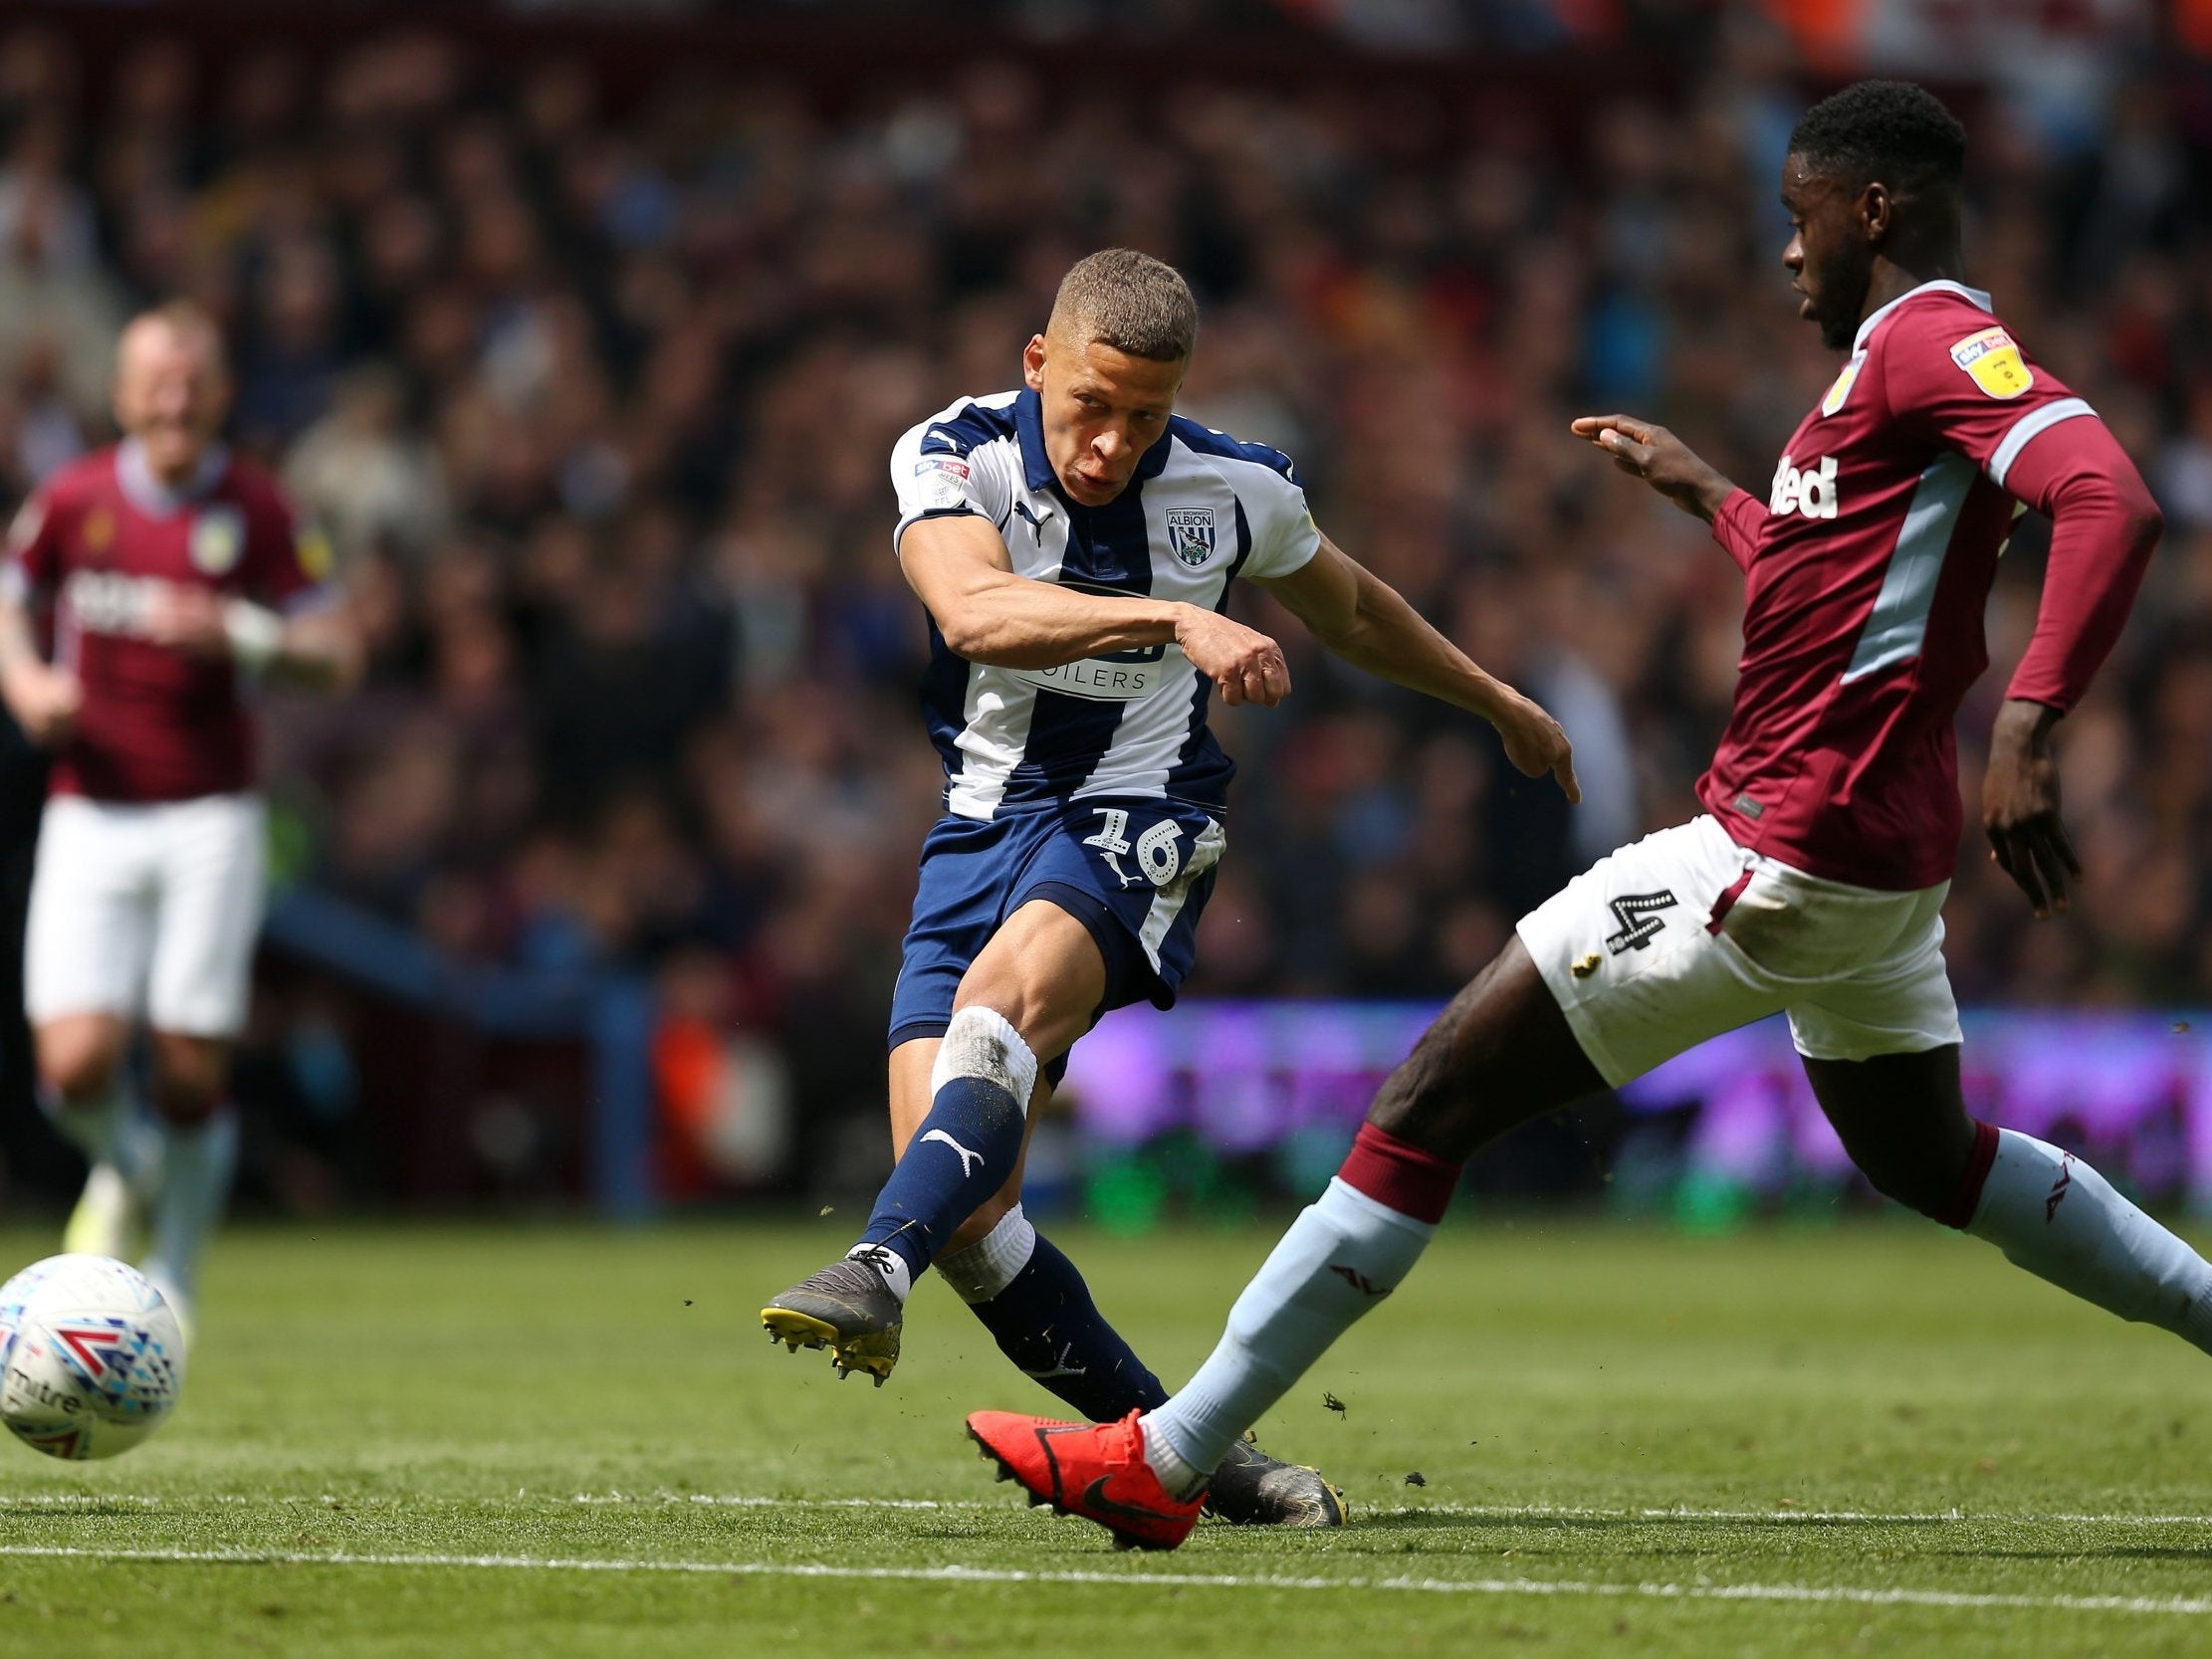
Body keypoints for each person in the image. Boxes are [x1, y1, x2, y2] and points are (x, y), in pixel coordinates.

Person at [966, 81, 2181, 1551]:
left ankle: (1165, 1455)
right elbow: (1846, 579)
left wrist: (2036, 723)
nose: (1783, 251)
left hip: (1776, 848)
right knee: (1930, 1159)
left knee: (1428, 1100)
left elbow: (2103, 492)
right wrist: (1718, 499)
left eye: (1798, 218)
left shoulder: (1930, 338)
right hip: (1867, 869)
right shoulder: (1882, 365)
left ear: (1872, 210)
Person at [760, 248, 1578, 1527]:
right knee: (972, 1209)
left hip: (1142, 812)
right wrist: (1171, 618)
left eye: (1144, 416)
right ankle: (1202, 1458)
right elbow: (971, 611)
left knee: (999, 1012)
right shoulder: (952, 453)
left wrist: (1492, 698)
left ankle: (870, 1264)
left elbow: (1350, 609)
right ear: (1038, 364)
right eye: (1090, 405)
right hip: (976, 829)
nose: (1110, 443)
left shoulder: (1231, 485)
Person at [0, 301, 360, 1338]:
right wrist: (27, 686)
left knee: (192, 1058)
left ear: (220, 395)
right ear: (119, 395)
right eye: (153, 377)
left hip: (210, 811)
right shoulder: (71, 500)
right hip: (92, 807)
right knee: (71, 1066)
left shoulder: (258, 509)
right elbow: (13, 597)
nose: (172, 395)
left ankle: (179, 1273)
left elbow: (339, 652)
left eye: (191, 377)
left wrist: (243, 633)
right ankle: (130, 1159)